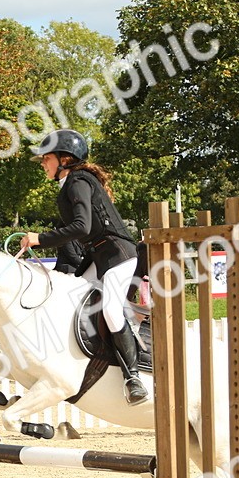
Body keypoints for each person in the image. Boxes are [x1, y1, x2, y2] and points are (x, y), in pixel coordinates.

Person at [20, 128, 147, 404]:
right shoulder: (70, 183)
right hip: (98, 258)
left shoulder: (78, 181)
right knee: (68, 299)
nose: (43, 163)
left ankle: (133, 377)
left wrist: (39, 239)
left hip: (118, 255)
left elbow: (81, 226)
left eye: (46, 158)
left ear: (64, 158)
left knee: (112, 310)